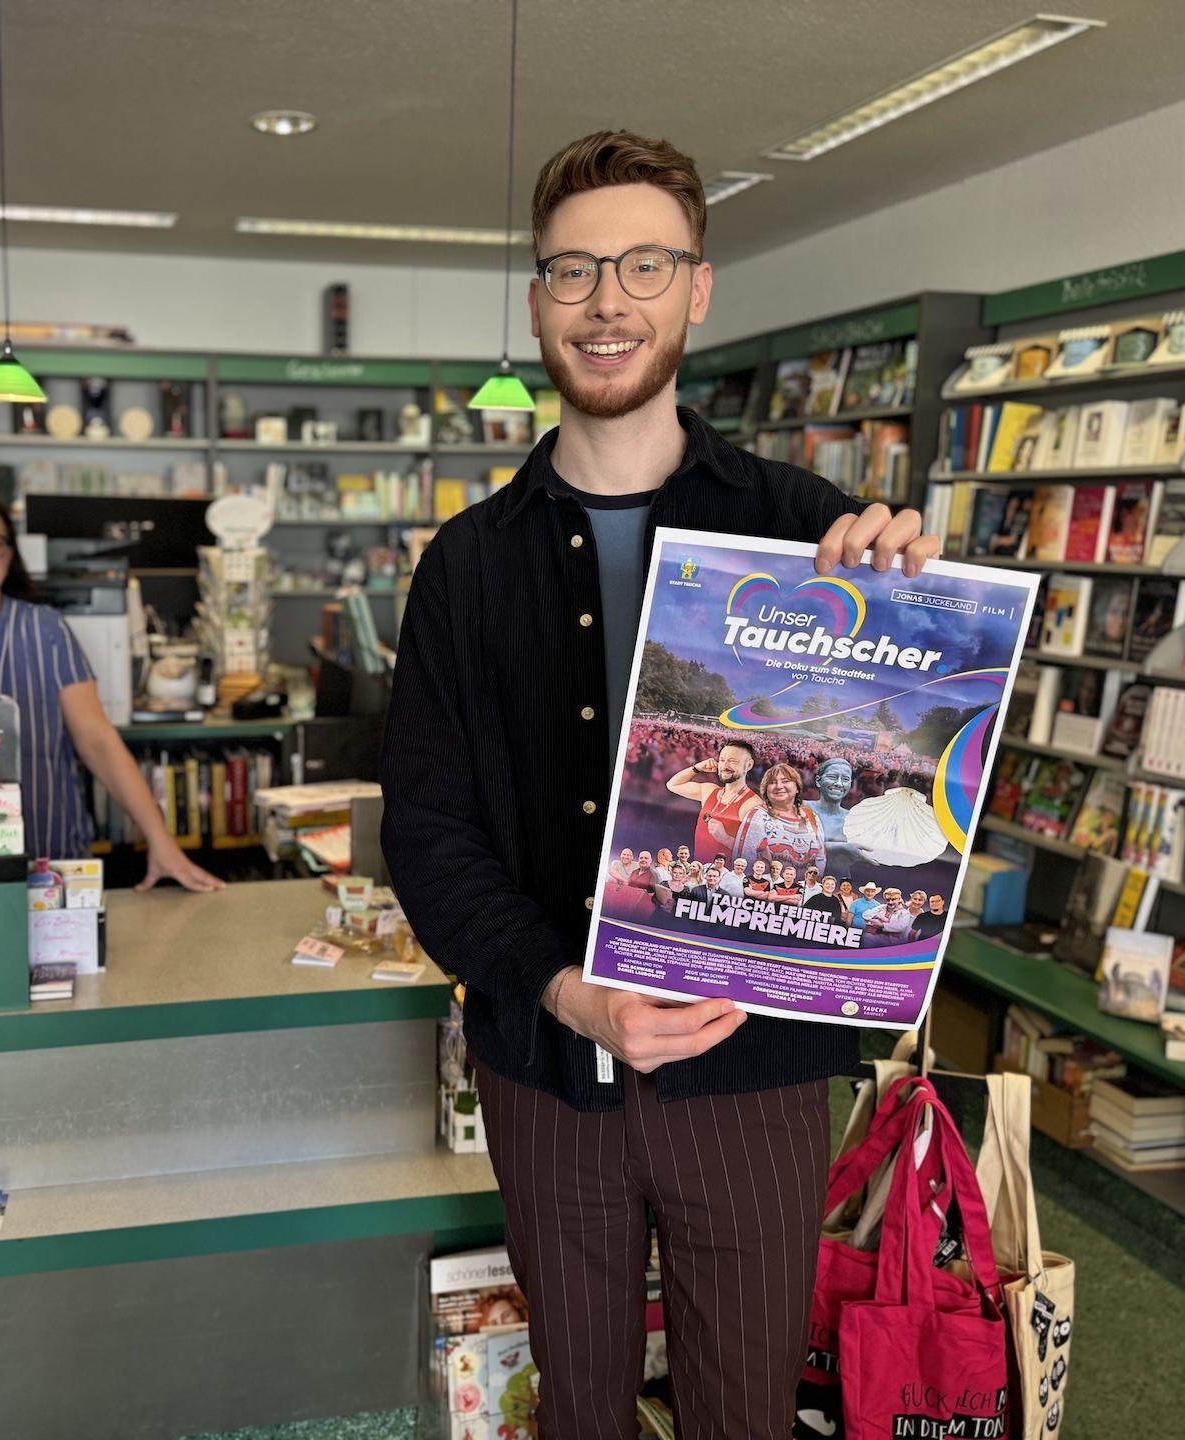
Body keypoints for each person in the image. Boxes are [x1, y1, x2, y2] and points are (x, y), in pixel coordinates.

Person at [380, 129, 938, 1438]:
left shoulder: (813, 529)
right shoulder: (467, 567)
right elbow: (430, 830)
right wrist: (564, 986)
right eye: (572, 271)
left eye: (642, 264)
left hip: (758, 1071)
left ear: (698, 288)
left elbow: (891, 814)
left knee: (741, 1408)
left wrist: (914, 620)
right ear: (536, 305)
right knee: (576, 1402)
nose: (606, 301)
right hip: (543, 1066)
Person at [0, 488, 221, 892]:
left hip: (43, 863)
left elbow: (98, 740)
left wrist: (160, 839)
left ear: (9, 557)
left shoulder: (45, 629)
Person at [665, 738, 761, 865]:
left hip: (726, 881)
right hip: (699, 876)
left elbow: (760, 855)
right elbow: (673, 785)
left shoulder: (753, 804)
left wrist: (726, 839)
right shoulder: (710, 791)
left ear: (748, 765)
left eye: (732, 761)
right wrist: (697, 767)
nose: (725, 766)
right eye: (722, 760)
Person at [736, 762, 827, 875]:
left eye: (785, 781)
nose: (779, 786)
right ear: (766, 790)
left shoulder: (811, 817)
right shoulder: (758, 816)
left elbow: (821, 858)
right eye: (772, 782)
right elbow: (744, 859)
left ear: (797, 788)